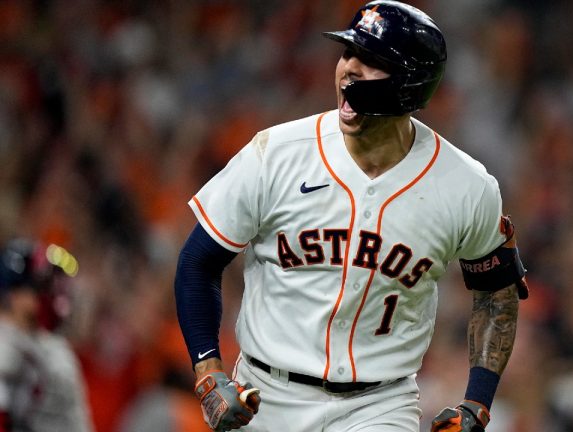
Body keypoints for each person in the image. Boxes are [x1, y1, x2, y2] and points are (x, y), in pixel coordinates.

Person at [174, 1, 529, 431]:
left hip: (379, 405)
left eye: (370, 60)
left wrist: (478, 402)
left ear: (408, 84)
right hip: (267, 396)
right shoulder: (276, 154)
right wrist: (208, 372)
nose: (349, 69)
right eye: (347, 54)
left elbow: (497, 294)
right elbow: (199, 261)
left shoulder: (465, 187)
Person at [0, 238, 93, 432]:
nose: (48, 296)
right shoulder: (10, 344)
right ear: (12, 295)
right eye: (38, 288)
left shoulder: (54, 349)